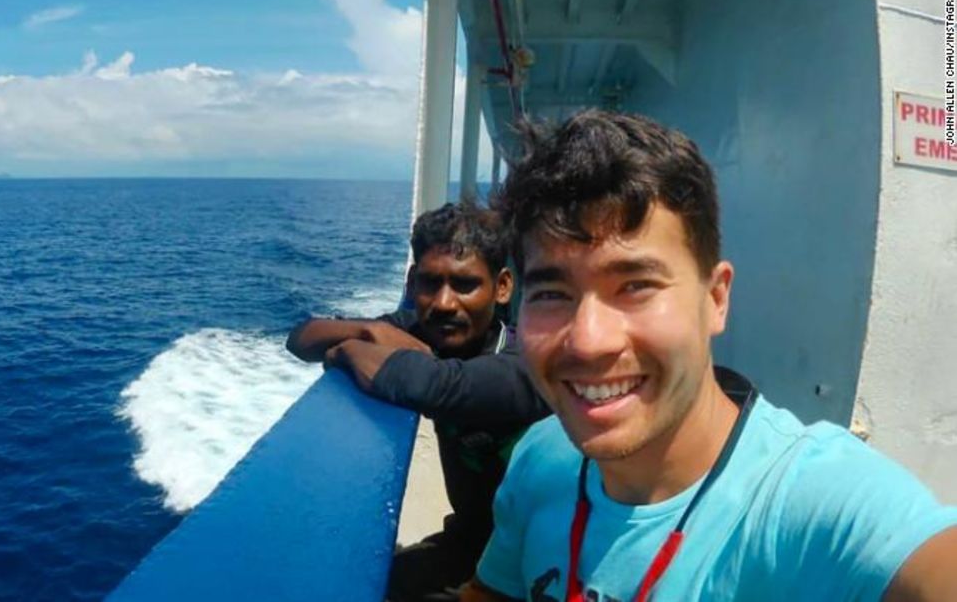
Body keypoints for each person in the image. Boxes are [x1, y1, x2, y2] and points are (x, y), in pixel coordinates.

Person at [462, 110, 957, 602]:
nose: (588, 341)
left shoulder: (809, 504)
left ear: (716, 298)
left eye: (636, 286)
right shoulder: (543, 455)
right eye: (551, 293)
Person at [287, 202, 551, 601]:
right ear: (411, 284)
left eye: (465, 285)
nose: (444, 303)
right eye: (430, 283)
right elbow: (302, 338)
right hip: (469, 542)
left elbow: (436, 384)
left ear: (502, 288)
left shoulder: (524, 367)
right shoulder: (425, 331)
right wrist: (367, 329)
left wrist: (346, 351)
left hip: (539, 565)